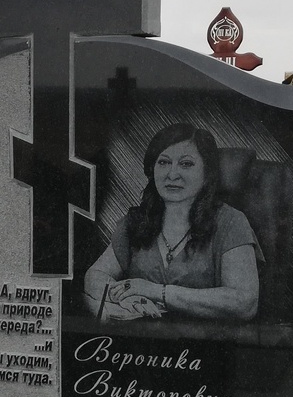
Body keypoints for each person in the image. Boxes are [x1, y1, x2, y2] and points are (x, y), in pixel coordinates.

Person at [83, 123, 263, 322]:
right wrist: (125, 297)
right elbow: (94, 276)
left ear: (207, 173)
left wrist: (158, 292)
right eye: (164, 162)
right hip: (141, 338)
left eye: (186, 164)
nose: (172, 174)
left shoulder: (231, 222)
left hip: (203, 339)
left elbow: (244, 302)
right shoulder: (137, 220)